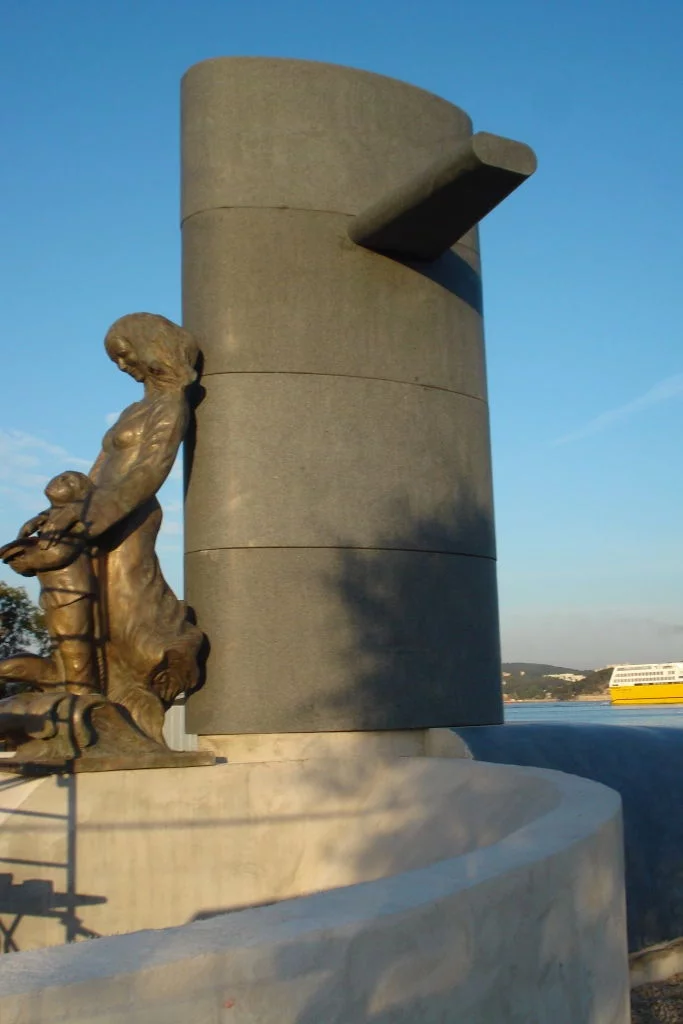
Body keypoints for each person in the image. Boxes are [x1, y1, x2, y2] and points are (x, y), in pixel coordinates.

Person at [0, 470, 99, 693]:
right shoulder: (48, 520)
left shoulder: (76, 517)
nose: (60, 479)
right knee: (61, 647)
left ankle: (81, 698)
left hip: (72, 593)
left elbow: (61, 553)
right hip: (55, 593)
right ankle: (65, 692)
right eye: (62, 476)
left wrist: (27, 558)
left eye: (69, 481)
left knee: (75, 646)